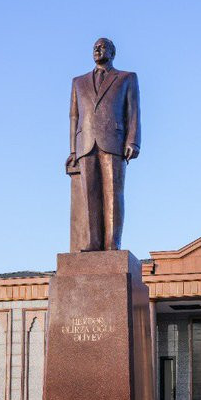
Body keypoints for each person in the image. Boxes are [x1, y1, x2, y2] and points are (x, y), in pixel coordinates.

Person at [65, 37, 140, 252]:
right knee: (90, 195)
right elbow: (74, 116)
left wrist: (133, 141)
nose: (98, 50)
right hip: (86, 143)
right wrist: (73, 149)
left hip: (114, 141)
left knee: (113, 194)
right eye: (95, 47)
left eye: (102, 47)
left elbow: (133, 111)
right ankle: (94, 241)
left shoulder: (126, 78)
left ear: (113, 53)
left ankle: (112, 242)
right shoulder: (78, 82)